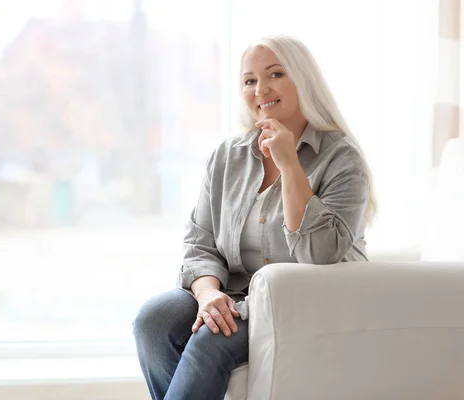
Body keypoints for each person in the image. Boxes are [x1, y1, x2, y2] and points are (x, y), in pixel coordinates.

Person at [133, 35, 376, 400]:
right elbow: (200, 242)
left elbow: (321, 255)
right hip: (234, 293)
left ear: (302, 81)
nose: (261, 89)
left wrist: (290, 165)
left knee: (212, 339)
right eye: (249, 80)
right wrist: (208, 296)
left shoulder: (342, 157)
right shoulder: (227, 157)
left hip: (302, 301)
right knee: (155, 321)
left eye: (275, 74)